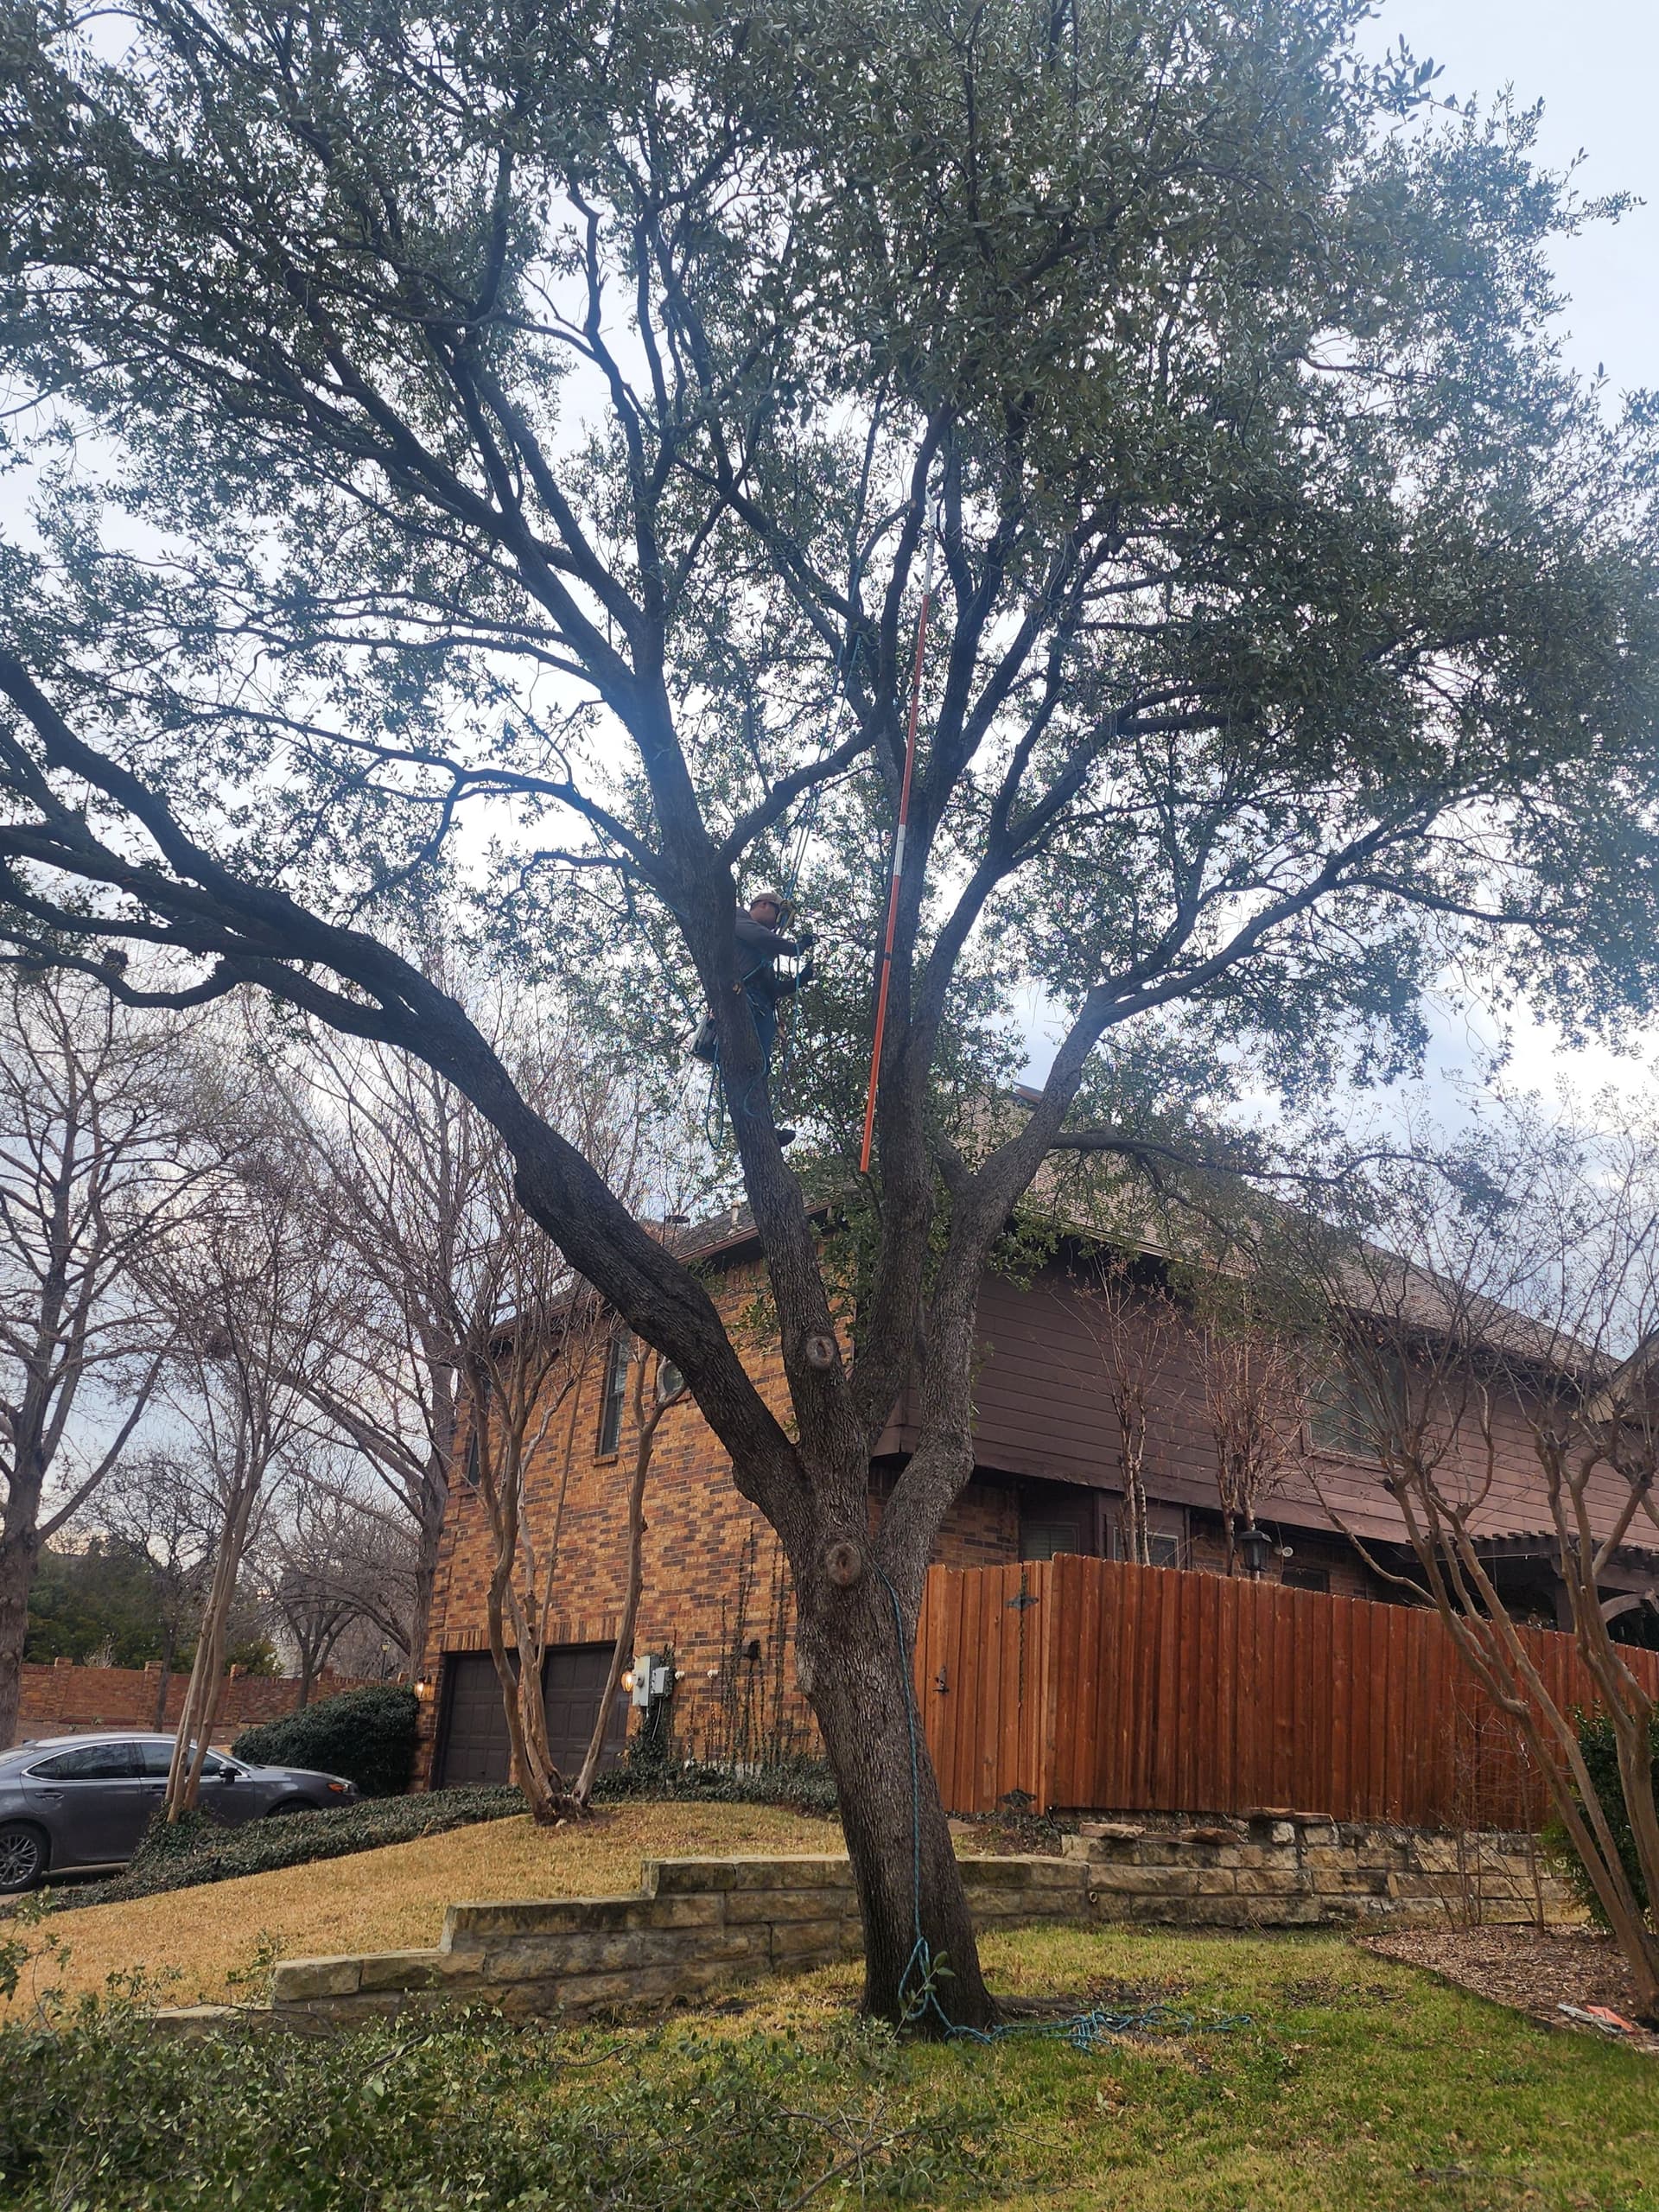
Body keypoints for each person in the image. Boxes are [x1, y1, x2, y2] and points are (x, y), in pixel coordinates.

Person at [691, 890, 814, 1141]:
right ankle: (754, 1125)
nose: (777, 925)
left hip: (761, 1006)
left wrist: (800, 980)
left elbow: (774, 989)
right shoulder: (736, 917)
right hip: (741, 998)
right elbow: (758, 934)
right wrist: (795, 948)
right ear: (764, 905)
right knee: (751, 1066)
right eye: (778, 916)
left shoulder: (764, 953)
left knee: (760, 1068)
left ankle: (762, 1127)